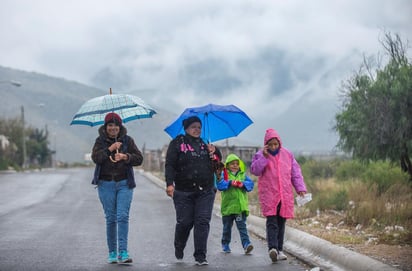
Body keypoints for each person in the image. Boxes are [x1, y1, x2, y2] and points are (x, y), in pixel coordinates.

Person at [165, 116, 222, 266]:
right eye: (193, 127)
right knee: (185, 222)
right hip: (184, 191)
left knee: (202, 221)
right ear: (186, 129)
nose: (197, 130)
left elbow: (218, 161)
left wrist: (214, 152)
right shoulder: (177, 143)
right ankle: (179, 245)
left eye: (199, 127)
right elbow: (170, 165)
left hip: (206, 190)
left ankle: (200, 256)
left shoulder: (206, 144)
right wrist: (169, 184)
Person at [91, 112, 143, 264]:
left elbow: (139, 159)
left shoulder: (128, 141)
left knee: (122, 216)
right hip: (105, 184)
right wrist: (110, 149)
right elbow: (96, 158)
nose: (113, 128)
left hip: (124, 184)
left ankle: (123, 251)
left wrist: (126, 156)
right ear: (106, 127)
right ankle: (112, 252)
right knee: (111, 219)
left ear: (120, 127)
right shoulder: (100, 141)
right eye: (110, 125)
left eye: (116, 125)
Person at [250, 128, 307, 263]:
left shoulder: (287, 155)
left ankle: (280, 250)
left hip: (284, 195)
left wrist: (300, 188)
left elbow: (295, 173)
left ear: (279, 143)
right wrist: (264, 157)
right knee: (272, 222)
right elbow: (255, 170)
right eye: (270, 144)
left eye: (276, 144)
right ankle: (273, 249)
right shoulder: (261, 155)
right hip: (269, 195)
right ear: (266, 145)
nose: (273, 147)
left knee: (281, 223)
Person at [216, 153, 254, 254]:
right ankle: (225, 244)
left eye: (237, 163)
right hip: (228, 207)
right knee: (227, 228)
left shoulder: (243, 175)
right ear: (227, 165)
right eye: (232, 164)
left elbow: (251, 184)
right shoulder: (224, 174)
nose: (235, 165)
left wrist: (243, 184)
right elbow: (220, 185)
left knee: (242, 227)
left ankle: (246, 244)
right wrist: (230, 183)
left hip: (239, 208)